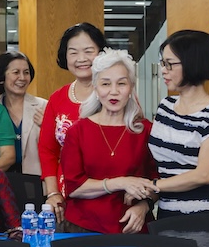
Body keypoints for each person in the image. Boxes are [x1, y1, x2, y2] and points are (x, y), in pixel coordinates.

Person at [60, 48, 156, 234]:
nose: (114, 91)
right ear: (95, 88)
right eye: (105, 84)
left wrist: (144, 206)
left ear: (131, 88)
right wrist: (121, 182)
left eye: (121, 83)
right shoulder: (78, 131)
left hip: (132, 228)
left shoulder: (146, 130)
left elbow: (157, 181)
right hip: (84, 228)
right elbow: (74, 187)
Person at [148, 30, 209, 217]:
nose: (163, 70)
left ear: (192, 64)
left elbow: (204, 175)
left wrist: (153, 186)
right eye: (163, 63)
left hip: (205, 218)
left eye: (170, 64)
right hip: (166, 215)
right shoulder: (165, 107)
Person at [37, 22, 108, 220]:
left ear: (101, 53)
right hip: (66, 197)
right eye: (73, 52)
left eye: (88, 51)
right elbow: (47, 150)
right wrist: (52, 193)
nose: (81, 59)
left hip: (109, 195)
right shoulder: (57, 98)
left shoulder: (116, 94)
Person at [0, 51, 46, 177]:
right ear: (2, 77)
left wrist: (47, 127)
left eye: (26, 72)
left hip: (36, 180)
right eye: (16, 72)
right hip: (0, 179)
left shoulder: (44, 106)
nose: (22, 78)